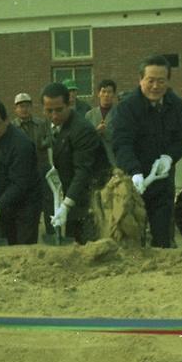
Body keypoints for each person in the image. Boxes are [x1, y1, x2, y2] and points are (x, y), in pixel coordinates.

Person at [112, 55, 182, 248]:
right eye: (151, 80)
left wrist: (169, 157)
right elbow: (122, 143)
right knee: (131, 236)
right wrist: (134, 171)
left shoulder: (176, 106)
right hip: (133, 182)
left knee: (162, 236)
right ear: (140, 80)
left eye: (161, 81)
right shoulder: (127, 108)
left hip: (162, 182)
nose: (156, 86)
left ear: (168, 81)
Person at [41, 82, 109, 243]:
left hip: (92, 195)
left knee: (90, 244)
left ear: (68, 104)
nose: (54, 115)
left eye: (59, 110)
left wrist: (65, 205)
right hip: (73, 193)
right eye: (49, 111)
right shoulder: (54, 125)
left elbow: (83, 171)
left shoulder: (81, 129)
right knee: (74, 244)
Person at [0, 98, 42, 245]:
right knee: (11, 244)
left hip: (26, 204)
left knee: (24, 247)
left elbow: (20, 183)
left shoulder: (21, 145)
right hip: (5, 202)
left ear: (6, 121)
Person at [10, 92, 52, 239]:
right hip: (22, 171)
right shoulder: (12, 127)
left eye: (27, 106)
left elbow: (50, 139)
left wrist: (41, 144)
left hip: (41, 166)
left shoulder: (42, 123)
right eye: (21, 106)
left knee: (48, 201)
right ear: (15, 109)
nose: (24, 109)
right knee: (26, 204)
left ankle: (51, 233)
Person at [84, 79, 118, 167]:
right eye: (103, 91)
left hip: (114, 159)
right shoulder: (89, 115)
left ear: (114, 94)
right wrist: (96, 131)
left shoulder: (120, 113)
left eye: (109, 92)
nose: (106, 95)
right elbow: (85, 139)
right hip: (94, 160)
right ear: (99, 94)